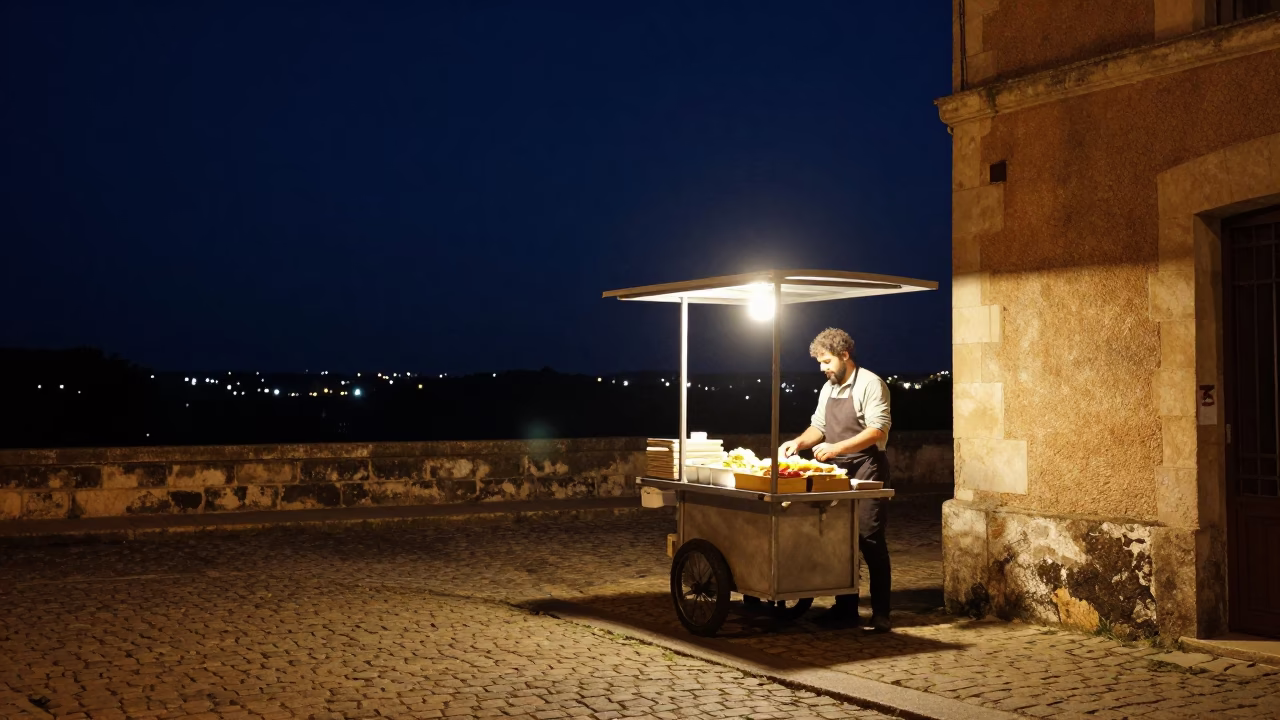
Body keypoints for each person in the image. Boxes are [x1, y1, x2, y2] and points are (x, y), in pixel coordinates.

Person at [779, 327, 892, 632]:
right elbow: (819, 426)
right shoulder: (828, 388)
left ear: (845, 355)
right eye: (819, 362)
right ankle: (846, 609)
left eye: (826, 361)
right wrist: (799, 443)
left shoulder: (871, 384)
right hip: (837, 472)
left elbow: (877, 430)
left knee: (869, 538)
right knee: (840, 539)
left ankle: (882, 611)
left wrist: (836, 448)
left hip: (867, 468)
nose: (822, 368)